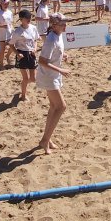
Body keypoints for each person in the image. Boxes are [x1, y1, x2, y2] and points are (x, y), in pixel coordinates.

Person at [36, 13, 71, 154]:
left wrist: (63, 55)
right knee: (61, 107)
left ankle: (47, 138)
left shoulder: (58, 35)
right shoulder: (51, 39)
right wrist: (61, 70)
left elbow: (55, 53)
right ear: (54, 25)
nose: (65, 26)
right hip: (48, 76)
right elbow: (42, 61)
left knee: (53, 107)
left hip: (53, 75)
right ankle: (44, 140)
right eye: (63, 24)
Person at [9, 9, 39, 101]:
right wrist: (17, 54)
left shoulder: (33, 28)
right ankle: (23, 95)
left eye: (30, 17)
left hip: (31, 54)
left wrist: (35, 48)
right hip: (22, 54)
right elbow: (11, 44)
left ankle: (23, 84)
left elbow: (35, 40)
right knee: (25, 78)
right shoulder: (17, 32)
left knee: (33, 79)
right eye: (27, 18)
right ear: (21, 19)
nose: (29, 19)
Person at [0, 0, 14, 67]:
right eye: (4, 4)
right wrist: (2, 26)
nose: (6, 5)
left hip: (9, 32)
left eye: (7, 3)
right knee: (2, 49)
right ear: (1, 4)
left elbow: (11, 23)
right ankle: (1, 64)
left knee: (13, 46)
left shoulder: (10, 12)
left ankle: (7, 56)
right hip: (2, 33)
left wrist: (12, 29)